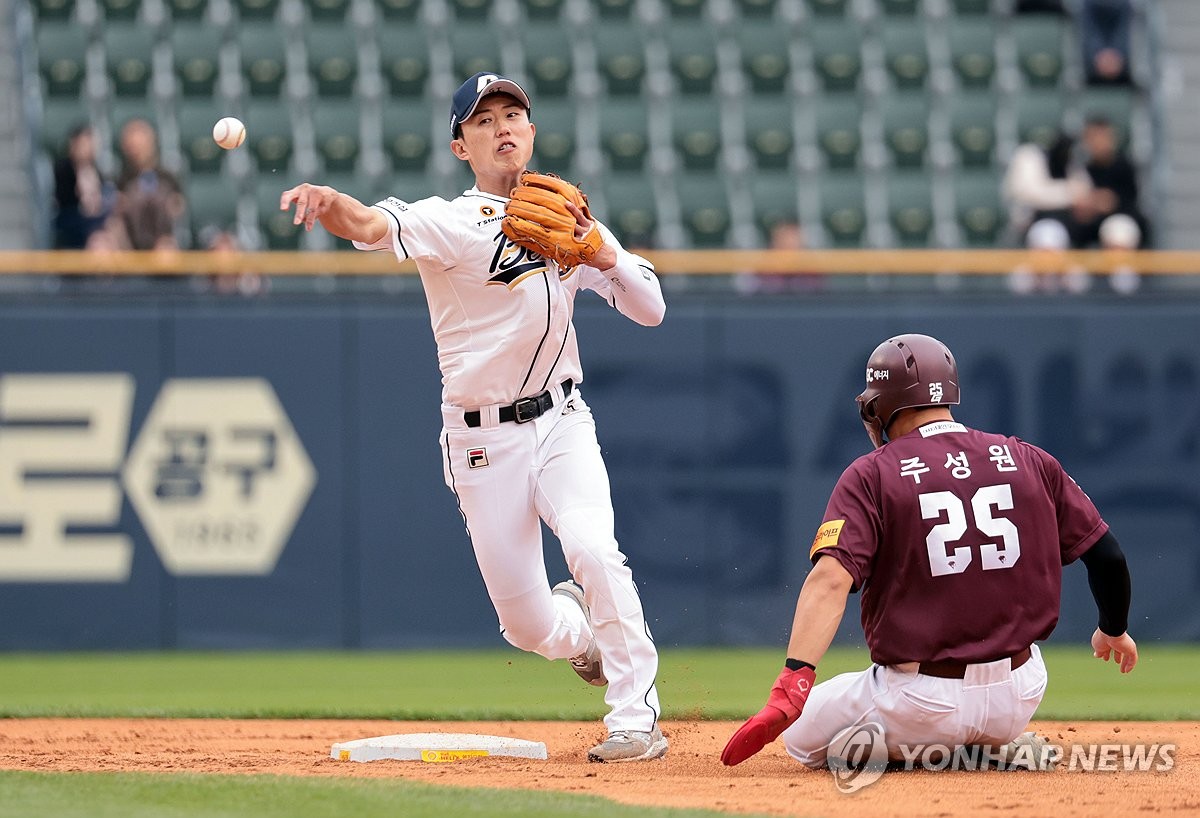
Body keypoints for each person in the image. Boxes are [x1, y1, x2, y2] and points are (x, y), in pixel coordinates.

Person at [279, 72, 668, 763]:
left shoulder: (569, 217)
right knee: (525, 625)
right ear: (462, 146)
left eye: (513, 113)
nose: (503, 126)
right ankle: (579, 639)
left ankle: (634, 719)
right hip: (482, 438)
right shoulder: (450, 221)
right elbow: (370, 224)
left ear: (533, 130)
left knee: (595, 548)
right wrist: (329, 200)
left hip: (562, 420)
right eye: (483, 120)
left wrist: (600, 249)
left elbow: (650, 309)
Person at [721, 333, 1137, 770]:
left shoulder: (872, 474)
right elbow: (1108, 556)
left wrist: (795, 678)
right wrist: (1113, 629)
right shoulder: (1026, 457)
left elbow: (830, 580)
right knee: (983, 700)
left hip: (921, 702)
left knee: (802, 740)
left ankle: (924, 752)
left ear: (881, 404)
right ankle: (987, 745)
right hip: (1019, 694)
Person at [115, 118, 186, 250]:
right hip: (129, 246)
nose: (136, 150)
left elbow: (178, 210)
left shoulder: (167, 178)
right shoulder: (121, 180)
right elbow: (116, 220)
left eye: (140, 144)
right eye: (132, 145)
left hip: (163, 245)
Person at [51, 123, 116, 249]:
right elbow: (63, 201)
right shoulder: (63, 171)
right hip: (73, 221)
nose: (88, 148)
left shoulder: (97, 171)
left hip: (97, 220)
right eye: (84, 144)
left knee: (114, 226)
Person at [1081, 0, 1134, 86]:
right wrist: (1097, 56)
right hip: (1092, 67)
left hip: (1123, 68)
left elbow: (1124, 32)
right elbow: (1089, 31)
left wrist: (1118, 56)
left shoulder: (1127, 6)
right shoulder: (1086, 6)